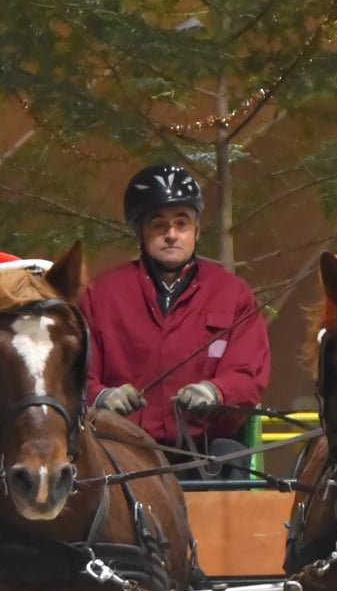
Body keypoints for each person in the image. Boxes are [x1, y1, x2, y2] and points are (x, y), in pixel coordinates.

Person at [78, 165, 270, 464]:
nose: (171, 235)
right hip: (121, 453)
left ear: (196, 230)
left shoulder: (233, 294)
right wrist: (101, 396)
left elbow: (249, 373)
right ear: (139, 231)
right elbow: (76, 374)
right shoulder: (99, 295)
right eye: (159, 225)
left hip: (207, 454)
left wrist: (216, 391)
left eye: (181, 224)